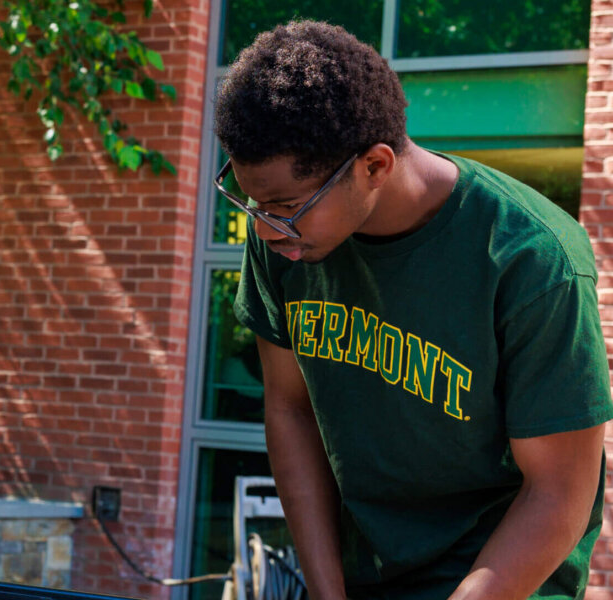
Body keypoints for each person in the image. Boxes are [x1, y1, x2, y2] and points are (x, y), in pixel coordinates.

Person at [219, 21, 613, 600]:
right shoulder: (285, 237)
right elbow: (290, 410)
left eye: (282, 205)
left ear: (374, 166)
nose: (262, 225)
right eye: (250, 201)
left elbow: (557, 496)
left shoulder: (532, 258)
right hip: (361, 578)